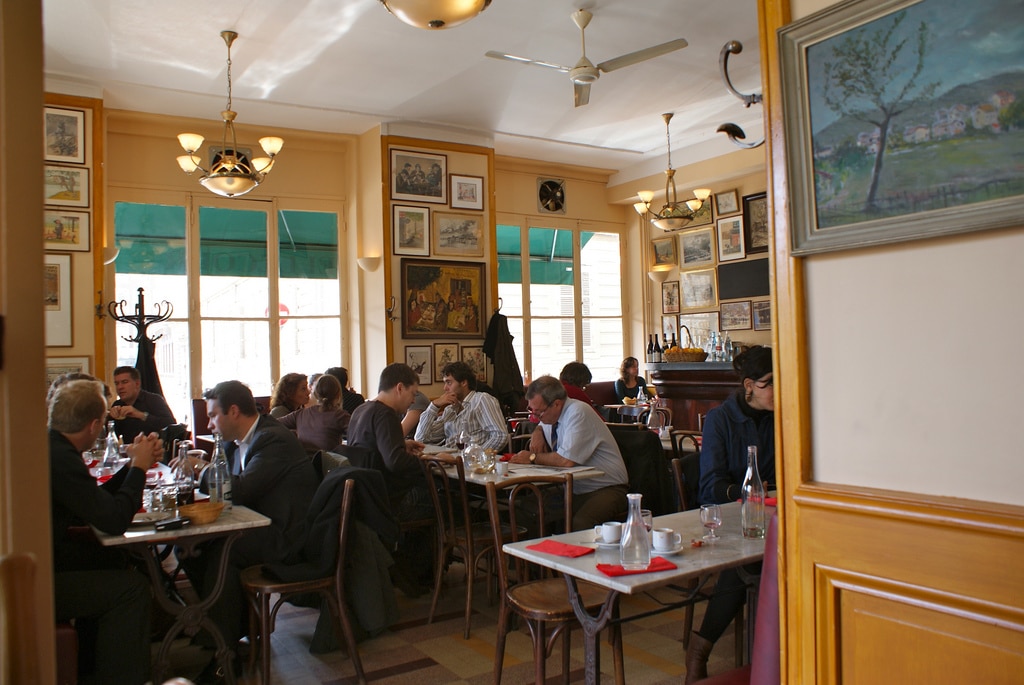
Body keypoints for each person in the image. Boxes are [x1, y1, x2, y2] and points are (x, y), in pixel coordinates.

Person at [176, 380, 318, 683]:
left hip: (288, 537)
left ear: (234, 412)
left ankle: (223, 655)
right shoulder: (231, 441)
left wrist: (200, 470)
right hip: (257, 526)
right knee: (190, 547)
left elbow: (237, 491)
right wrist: (206, 466)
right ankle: (225, 631)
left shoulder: (272, 440)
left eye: (213, 415)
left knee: (224, 551)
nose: (209, 423)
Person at [49, 377, 164, 685]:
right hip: (36, 582)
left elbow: (93, 500)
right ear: (93, 425)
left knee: (111, 560)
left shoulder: (52, 446)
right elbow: (112, 521)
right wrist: (139, 469)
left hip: (44, 559)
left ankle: (90, 668)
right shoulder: (60, 458)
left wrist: (131, 467)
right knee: (132, 589)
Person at [686, 345, 776, 683]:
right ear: (749, 385)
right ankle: (701, 651)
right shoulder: (721, 420)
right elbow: (711, 486)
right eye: (771, 383)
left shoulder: (780, 416)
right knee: (749, 559)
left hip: (769, 516)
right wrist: (752, 491)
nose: (779, 391)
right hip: (725, 517)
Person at [345, 363, 432, 594]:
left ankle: (402, 570)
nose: (413, 401)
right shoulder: (386, 415)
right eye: (413, 394)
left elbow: (369, 449)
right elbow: (395, 462)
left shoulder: (362, 410)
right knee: (441, 504)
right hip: (387, 500)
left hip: (366, 497)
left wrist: (400, 443)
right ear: (400, 388)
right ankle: (417, 576)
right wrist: (431, 462)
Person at [510, 376, 629, 531]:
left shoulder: (578, 412)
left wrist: (532, 457)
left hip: (607, 487)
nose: (536, 416)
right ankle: (536, 553)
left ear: (557, 404)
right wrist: (537, 431)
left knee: (580, 523)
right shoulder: (550, 415)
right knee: (525, 509)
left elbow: (566, 461)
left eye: (539, 413)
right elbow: (541, 422)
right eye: (532, 411)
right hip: (574, 487)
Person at [414, 361, 507, 452]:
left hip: (472, 464)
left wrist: (475, 457)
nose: (445, 388)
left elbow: (500, 436)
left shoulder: (481, 400)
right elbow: (420, 439)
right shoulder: (450, 410)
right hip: (449, 461)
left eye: (449, 382)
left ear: (463, 383)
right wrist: (433, 406)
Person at [278, 374, 351, 451]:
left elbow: (272, 423)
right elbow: (357, 434)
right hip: (328, 461)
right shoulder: (340, 416)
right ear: (338, 394)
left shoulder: (300, 414)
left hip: (305, 461)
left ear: (316, 393)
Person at [108, 365, 176, 442]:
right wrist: (110, 417)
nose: (120, 387)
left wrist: (141, 415)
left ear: (137, 384)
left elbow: (172, 426)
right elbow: (109, 437)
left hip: (155, 451)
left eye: (124, 382)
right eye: (117, 383)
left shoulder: (154, 400)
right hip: (130, 451)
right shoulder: (118, 405)